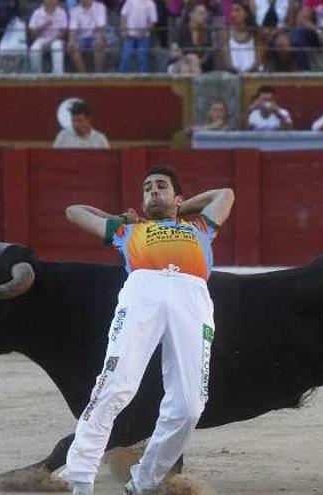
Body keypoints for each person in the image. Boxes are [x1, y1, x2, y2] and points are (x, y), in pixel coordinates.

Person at [60, 165, 235, 495]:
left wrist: (181, 209)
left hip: (192, 297)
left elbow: (224, 195)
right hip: (143, 290)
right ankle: (80, 479)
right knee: (114, 386)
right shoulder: (125, 232)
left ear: (177, 196)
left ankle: (144, 482)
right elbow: (74, 212)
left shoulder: (200, 226)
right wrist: (121, 217)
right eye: (147, 189)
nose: (153, 192)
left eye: (161, 187)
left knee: (190, 405)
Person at [166, 3, 214, 74]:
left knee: (186, 67)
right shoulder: (180, 30)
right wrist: (188, 58)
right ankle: (198, 83)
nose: (204, 16)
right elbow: (174, 53)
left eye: (205, 14)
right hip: (177, 63)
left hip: (197, 64)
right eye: (201, 14)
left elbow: (208, 54)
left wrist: (197, 61)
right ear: (191, 14)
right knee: (189, 61)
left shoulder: (206, 32)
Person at [220, 0, 264, 73]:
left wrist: (247, 73)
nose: (233, 14)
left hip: (254, 75)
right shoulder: (226, 33)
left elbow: (258, 60)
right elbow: (226, 60)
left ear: (246, 14)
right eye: (232, 10)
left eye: (237, 10)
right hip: (234, 76)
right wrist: (236, 72)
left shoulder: (256, 32)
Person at [28, 0, 68, 73]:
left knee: (57, 46)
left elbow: (64, 33)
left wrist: (50, 42)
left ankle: (58, 75)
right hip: (41, 39)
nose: (53, 2)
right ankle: (36, 75)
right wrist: (44, 26)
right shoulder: (37, 13)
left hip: (56, 39)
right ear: (44, 1)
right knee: (34, 49)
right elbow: (32, 34)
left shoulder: (62, 12)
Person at [67, 0, 108, 72]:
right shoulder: (74, 10)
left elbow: (100, 27)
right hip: (81, 38)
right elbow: (73, 29)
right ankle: (83, 75)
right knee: (73, 47)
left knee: (99, 44)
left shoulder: (100, 7)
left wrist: (99, 38)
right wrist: (71, 41)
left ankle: (98, 74)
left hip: (96, 35)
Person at [118, 0, 158, 72]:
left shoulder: (151, 3)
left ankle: (144, 77)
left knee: (142, 57)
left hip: (143, 36)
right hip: (129, 34)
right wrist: (124, 29)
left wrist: (143, 32)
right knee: (126, 56)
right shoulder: (130, 1)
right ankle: (122, 77)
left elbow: (153, 21)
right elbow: (124, 14)